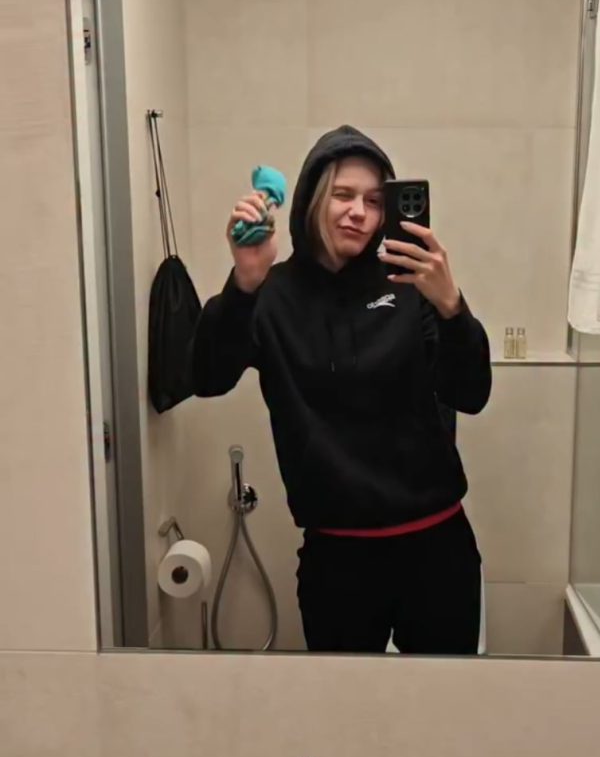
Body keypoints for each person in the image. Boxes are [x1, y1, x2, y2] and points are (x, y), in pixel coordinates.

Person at [192, 125, 491, 654]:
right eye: (343, 195)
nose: (359, 213)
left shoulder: (409, 284)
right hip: (337, 558)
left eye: (374, 201)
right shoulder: (273, 294)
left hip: (436, 548)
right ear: (312, 198)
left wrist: (451, 307)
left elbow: (471, 393)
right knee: (342, 706)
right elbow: (207, 379)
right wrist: (243, 286)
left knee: (444, 703)